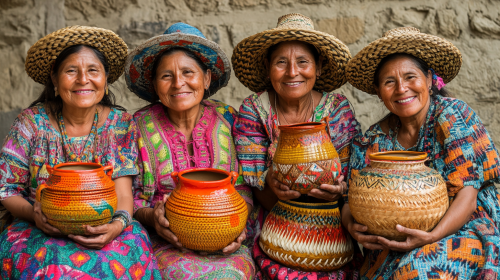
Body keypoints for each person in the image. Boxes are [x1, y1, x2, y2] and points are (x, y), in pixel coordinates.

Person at [0, 26, 160, 279]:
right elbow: (7, 190)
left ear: (105, 79)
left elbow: (123, 194)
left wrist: (116, 226)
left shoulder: (120, 124)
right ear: (54, 79)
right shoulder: (31, 123)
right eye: (71, 71)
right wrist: (34, 214)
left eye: (93, 70)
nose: (83, 79)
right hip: (39, 229)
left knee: (120, 260)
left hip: (108, 225)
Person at [344, 27, 500, 279]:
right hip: (394, 241)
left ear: (429, 79)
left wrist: (431, 237)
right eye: (389, 81)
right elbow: (350, 199)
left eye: (410, 77)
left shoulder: (451, 116)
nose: (401, 89)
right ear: (378, 90)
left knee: (417, 269)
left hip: (463, 227)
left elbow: (468, 196)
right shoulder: (372, 139)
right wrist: (352, 227)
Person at [232, 13, 363, 279]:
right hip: (272, 223)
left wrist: (338, 191)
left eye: (303, 62)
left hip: (330, 229)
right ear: (269, 67)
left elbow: (350, 180)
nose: (293, 72)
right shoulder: (254, 110)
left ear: (319, 66)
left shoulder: (336, 109)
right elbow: (255, 185)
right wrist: (274, 186)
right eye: (281, 62)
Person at [128, 23, 256, 279]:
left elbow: (243, 188)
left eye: (188, 72)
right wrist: (154, 219)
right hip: (162, 242)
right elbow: (129, 198)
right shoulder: (136, 126)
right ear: (154, 84)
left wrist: (238, 229)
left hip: (227, 241)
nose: (178, 83)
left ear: (206, 78)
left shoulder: (229, 120)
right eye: (166, 76)